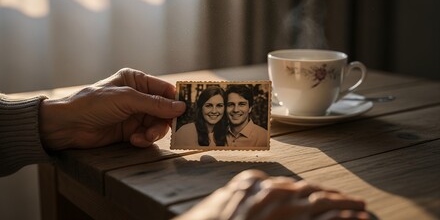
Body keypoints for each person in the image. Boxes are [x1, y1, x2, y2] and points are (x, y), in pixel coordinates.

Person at [0, 68, 371, 220]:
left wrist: (54, 122)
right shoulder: (195, 136)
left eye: (240, 104)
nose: (232, 108)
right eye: (225, 104)